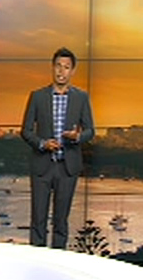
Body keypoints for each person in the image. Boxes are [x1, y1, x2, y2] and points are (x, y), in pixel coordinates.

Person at [20, 47, 95, 250]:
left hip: (67, 168)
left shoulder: (81, 98)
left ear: (73, 71)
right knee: (38, 219)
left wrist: (77, 137)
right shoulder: (37, 96)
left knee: (61, 221)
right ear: (52, 68)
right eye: (58, 66)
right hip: (42, 167)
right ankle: (37, 261)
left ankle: (58, 261)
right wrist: (43, 144)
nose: (61, 71)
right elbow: (26, 131)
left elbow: (90, 130)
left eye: (66, 67)